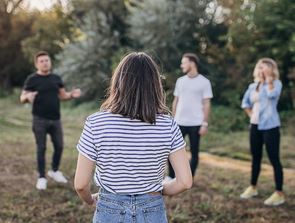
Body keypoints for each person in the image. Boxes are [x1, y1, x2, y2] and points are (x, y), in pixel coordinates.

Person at [74, 52, 192, 223]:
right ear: (155, 85)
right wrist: (157, 191)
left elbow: (80, 184)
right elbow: (185, 182)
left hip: (109, 207)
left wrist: (90, 200)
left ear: (118, 82)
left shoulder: (96, 122)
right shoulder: (168, 125)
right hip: (153, 209)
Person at [20, 51, 81, 190]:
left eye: (47, 60)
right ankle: (41, 177)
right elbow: (22, 97)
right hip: (39, 120)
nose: (45, 63)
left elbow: (62, 95)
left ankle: (54, 171)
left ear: (50, 62)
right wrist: (27, 97)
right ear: (37, 64)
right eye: (41, 61)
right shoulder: (32, 79)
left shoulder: (56, 78)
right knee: (41, 148)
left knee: (59, 146)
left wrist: (72, 95)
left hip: (56, 120)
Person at [240, 58, 285, 206]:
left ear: (271, 70)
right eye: (260, 67)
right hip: (255, 126)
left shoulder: (276, 84)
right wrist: (251, 114)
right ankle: (253, 187)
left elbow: (272, 95)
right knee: (256, 158)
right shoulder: (252, 86)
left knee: (274, 159)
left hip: (271, 126)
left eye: (265, 68)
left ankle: (279, 193)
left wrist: (269, 81)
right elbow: (245, 102)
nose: (262, 70)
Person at [167, 53, 213, 179]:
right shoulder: (180, 81)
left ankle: (188, 179)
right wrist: (173, 120)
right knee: (172, 151)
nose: (182, 65)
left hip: (196, 124)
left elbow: (207, 103)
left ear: (192, 63)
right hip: (179, 122)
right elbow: (176, 101)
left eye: (184, 62)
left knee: (194, 153)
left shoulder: (204, 82)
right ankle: (171, 177)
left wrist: (204, 123)